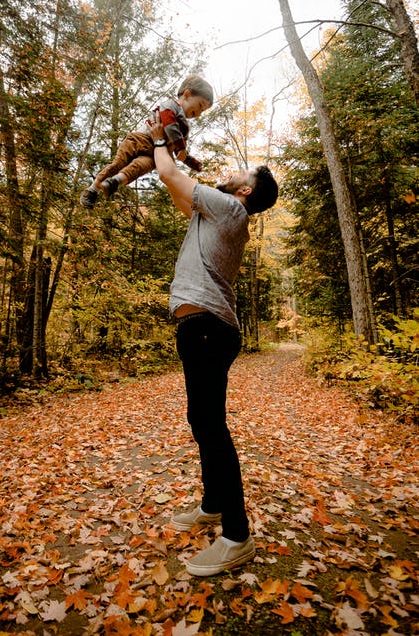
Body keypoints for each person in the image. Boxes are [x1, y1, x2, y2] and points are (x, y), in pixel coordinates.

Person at [148, 112, 278, 577]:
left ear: (245, 191)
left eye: (243, 174)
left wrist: (158, 139)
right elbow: (174, 187)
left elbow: (167, 173)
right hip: (200, 329)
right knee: (202, 422)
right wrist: (172, 154)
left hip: (207, 328)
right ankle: (213, 505)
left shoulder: (231, 210)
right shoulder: (215, 211)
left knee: (212, 427)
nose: (234, 172)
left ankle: (237, 535)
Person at [80, 75, 213, 209]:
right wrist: (181, 146)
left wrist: (190, 161)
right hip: (138, 139)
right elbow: (169, 124)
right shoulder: (171, 105)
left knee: (140, 167)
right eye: (200, 105)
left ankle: (115, 182)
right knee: (118, 163)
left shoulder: (184, 127)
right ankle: (92, 189)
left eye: (203, 111)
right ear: (187, 94)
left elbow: (178, 150)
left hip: (153, 152)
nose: (199, 113)